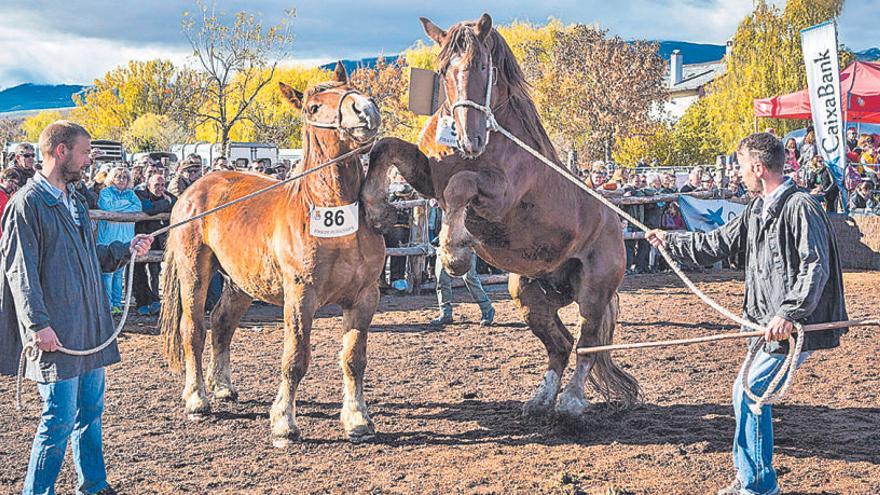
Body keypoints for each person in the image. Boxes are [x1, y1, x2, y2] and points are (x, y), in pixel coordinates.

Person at [646, 132, 846, 495]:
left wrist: (788, 313)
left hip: (795, 323)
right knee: (744, 392)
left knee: (752, 393)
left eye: (741, 168)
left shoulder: (800, 206)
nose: (739, 175)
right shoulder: (757, 208)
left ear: (758, 168)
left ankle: (758, 485)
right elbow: (718, 242)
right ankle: (750, 478)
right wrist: (670, 241)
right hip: (766, 321)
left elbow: (815, 267)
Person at [0, 120, 153, 495]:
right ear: (60, 151)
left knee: (91, 413)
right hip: (56, 331)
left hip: (90, 326)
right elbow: (20, 271)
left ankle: (94, 484)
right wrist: (37, 325)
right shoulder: (27, 204)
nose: (89, 161)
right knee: (58, 419)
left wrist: (124, 252)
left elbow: (90, 256)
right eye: (84, 153)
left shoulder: (75, 202)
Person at [96, 167, 143, 314]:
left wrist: (118, 208)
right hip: (108, 240)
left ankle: (117, 304)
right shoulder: (105, 192)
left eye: (124, 177)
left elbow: (138, 207)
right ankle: (107, 305)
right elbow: (106, 206)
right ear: (112, 179)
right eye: (118, 177)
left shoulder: (132, 194)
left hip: (126, 240)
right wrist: (125, 205)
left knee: (119, 274)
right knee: (107, 274)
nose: (121, 180)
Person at [133, 174, 176, 315]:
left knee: (155, 272)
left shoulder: (168, 195)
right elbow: (148, 208)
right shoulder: (140, 193)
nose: (160, 188)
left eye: (162, 185)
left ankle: (155, 301)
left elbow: (176, 203)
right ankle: (141, 302)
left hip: (157, 239)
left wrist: (165, 203)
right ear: (148, 184)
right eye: (156, 185)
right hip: (140, 237)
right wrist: (165, 204)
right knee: (139, 272)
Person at [432, 249, 495, 327]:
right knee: (442, 278)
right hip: (444, 247)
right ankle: (445, 313)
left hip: (464, 246)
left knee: (470, 278)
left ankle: (487, 310)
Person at [0, 167, 22, 238]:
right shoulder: (2, 195)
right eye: (11, 182)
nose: (13, 185)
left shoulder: (13, 195)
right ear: (2, 180)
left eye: (16, 183)